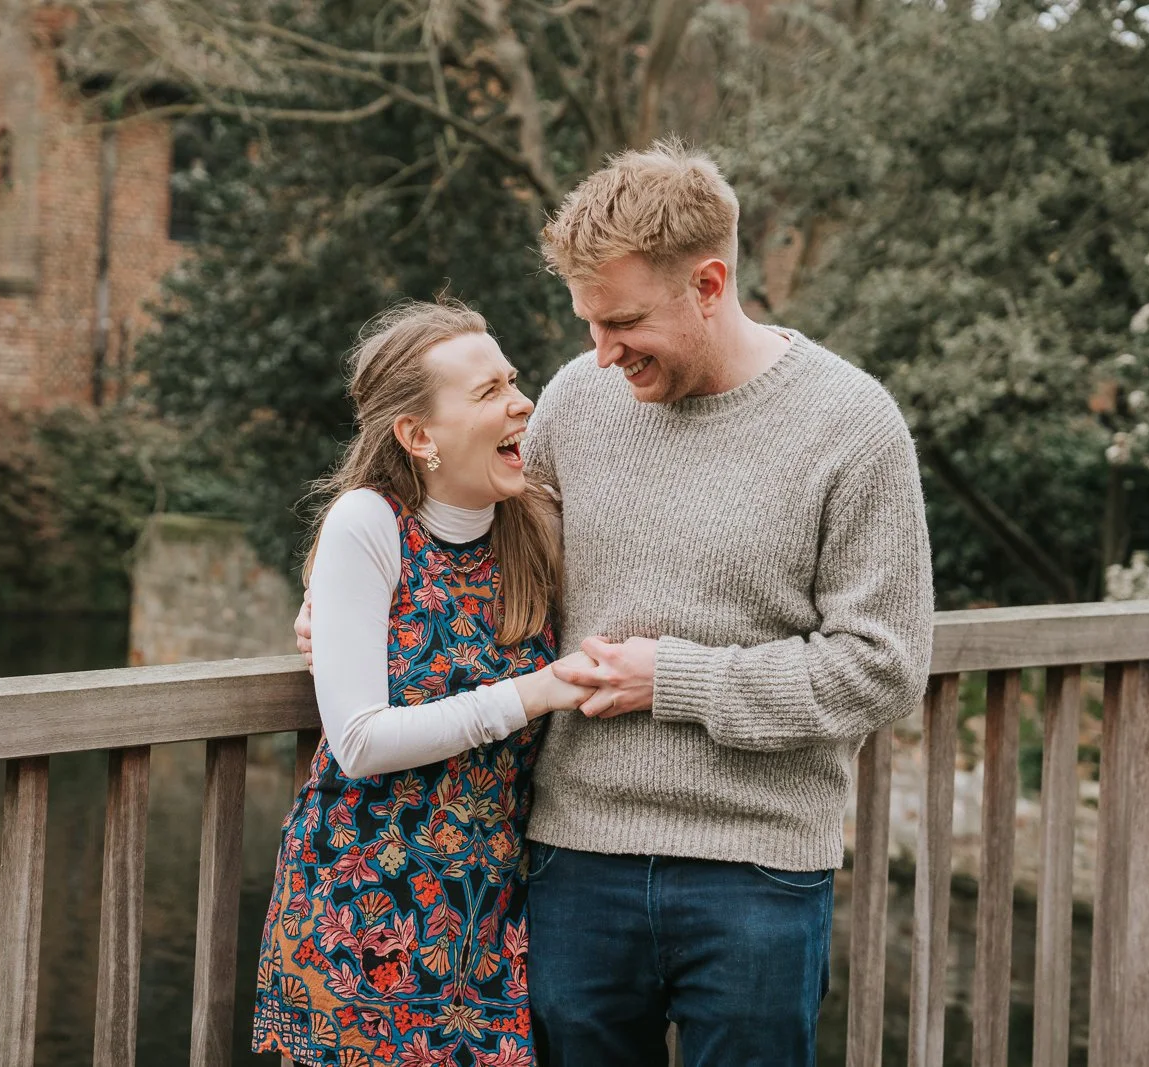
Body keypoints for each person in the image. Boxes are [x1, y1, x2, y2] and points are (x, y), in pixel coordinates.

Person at [299, 141, 934, 1067]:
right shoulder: (575, 402)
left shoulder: (853, 427)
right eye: (587, 322)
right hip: (573, 860)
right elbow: (480, 543)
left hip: (758, 872)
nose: (599, 353)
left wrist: (673, 679)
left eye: (625, 320)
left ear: (709, 283)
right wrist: (347, 596)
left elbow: (883, 668)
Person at [252, 299, 592, 1067]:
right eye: (486, 392)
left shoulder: (534, 526)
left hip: (490, 913)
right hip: (366, 913)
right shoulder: (367, 525)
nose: (520, 401)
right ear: (417, 436)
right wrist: (533, 692)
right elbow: (361, 740)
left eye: (511, 379)